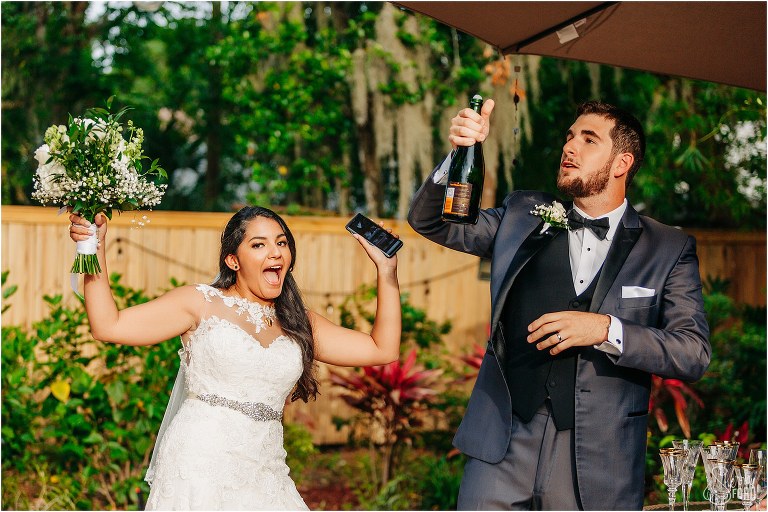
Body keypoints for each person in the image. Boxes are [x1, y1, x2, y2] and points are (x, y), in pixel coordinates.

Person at [407, 99, 711, 510]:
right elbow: (431, 222)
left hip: (597, 456)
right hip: (504, 440)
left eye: (588, 140)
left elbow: (692, 352)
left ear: (621, 163)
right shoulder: (522, 214)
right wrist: (460, 154)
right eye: (569, 137)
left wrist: (606, 329)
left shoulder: (668, 249)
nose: (570, 147)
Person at [68, 205, 401, 510]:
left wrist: (386, 271)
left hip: (267, 472)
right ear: (233, 260)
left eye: (282, 243)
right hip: (199, 466)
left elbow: (381, 349)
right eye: (259, 245)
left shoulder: (299, 322)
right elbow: (108, 325)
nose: (275, 252)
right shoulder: (199, 303)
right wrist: (93, 246)